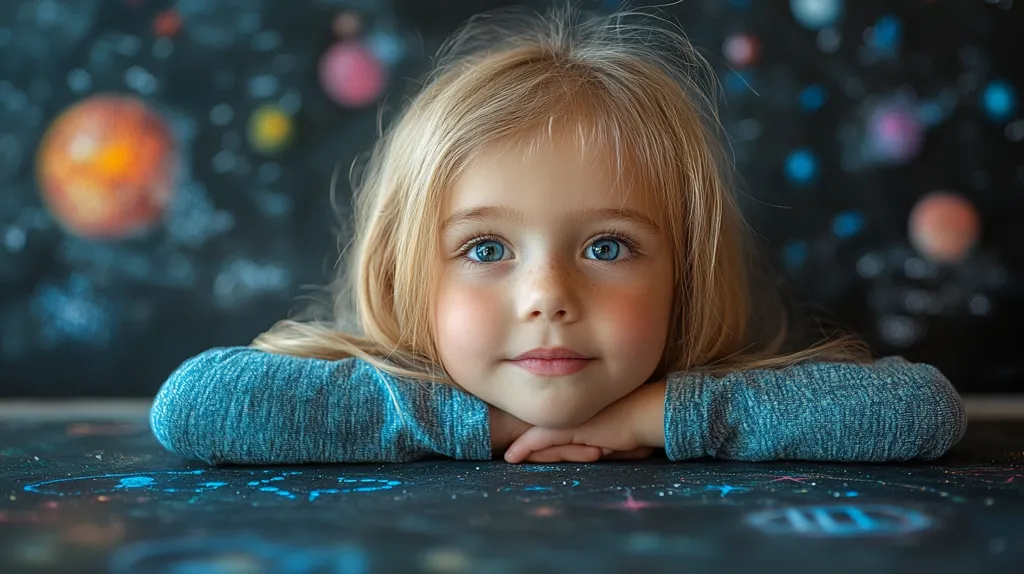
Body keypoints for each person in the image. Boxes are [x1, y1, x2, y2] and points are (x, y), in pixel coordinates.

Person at [150, 5, 966, 466]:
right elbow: (196, 407)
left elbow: (922, 411)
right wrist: (489, 425)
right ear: (406, 271)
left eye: (606, 247)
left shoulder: (708, 394)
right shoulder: (383, 388)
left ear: (684, 270)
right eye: (486, 249)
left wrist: (647, 420)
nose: (548, 298)